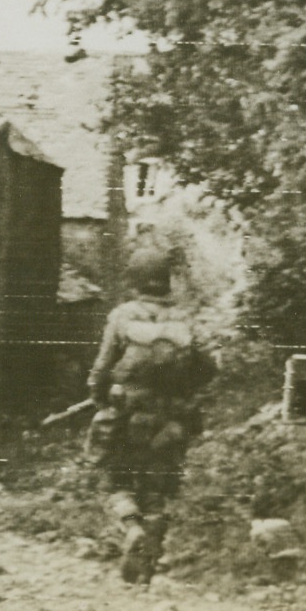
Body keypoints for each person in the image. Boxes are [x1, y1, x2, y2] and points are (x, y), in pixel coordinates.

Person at [86, 248, 217, 584]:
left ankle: (131, 528)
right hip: (170, 417)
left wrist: (100, 397)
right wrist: (181, 392)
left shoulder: (122, 316)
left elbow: (102, 368)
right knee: (157, 486)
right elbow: (207, 367)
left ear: (134, 281)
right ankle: (147, 564)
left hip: (125, 413)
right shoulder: (184, 320)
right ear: (166, 283)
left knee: (112, 478)